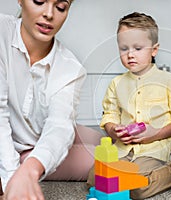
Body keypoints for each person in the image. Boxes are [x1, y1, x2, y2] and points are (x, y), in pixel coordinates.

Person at [86, 12, 171, 199]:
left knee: (137, 188)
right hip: (123, 148)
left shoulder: (169, 81)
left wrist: (155, 134)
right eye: (123, 48)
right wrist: (113, 130)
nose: (130, 54)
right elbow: (109, 115)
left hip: (155, 148)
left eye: (138, 48)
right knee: (95, 178)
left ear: (154, 50)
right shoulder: (116, 84)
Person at [0, 0, 103, 199]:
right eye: (39, 1)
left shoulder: (71, 68)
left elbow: (59, 126)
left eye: (61, 7)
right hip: (19, 147)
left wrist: (31, 169)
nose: (49, 14)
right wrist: (14, 178)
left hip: (41, 135)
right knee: (102, 159)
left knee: (107, 144)